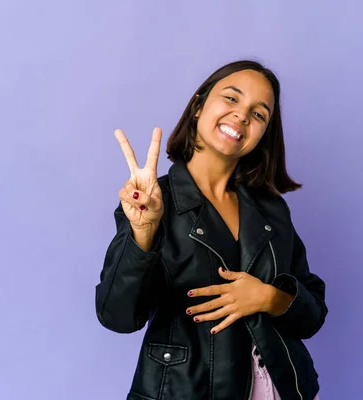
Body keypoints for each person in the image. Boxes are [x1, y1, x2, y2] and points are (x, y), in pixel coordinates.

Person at [95, 60, 327, 400]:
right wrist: (144, 232)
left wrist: (268, 297)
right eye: (231, 98)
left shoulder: (271, 208)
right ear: (199, 105)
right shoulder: (154, 202)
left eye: (259, 114)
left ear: (263, 134)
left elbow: (313, 314)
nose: (242, 116)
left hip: (283, 388)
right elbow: (117, 316)